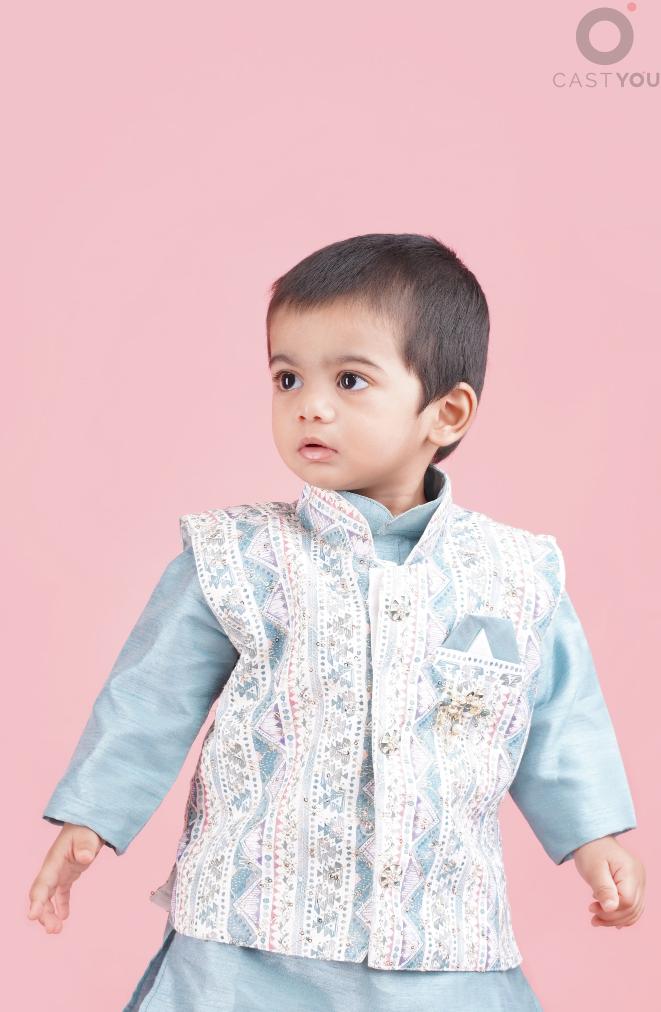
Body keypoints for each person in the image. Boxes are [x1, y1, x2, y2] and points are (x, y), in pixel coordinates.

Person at [28, 234, 645, 1011]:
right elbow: (151, 699)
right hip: (247, 944)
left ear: (445, 412)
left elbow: (557, 715)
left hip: (441, 945)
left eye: (349, 380)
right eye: (287, 378)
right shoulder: (238, 557)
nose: (309, 405)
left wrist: (592, 837)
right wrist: (92, 816)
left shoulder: (512, 575)